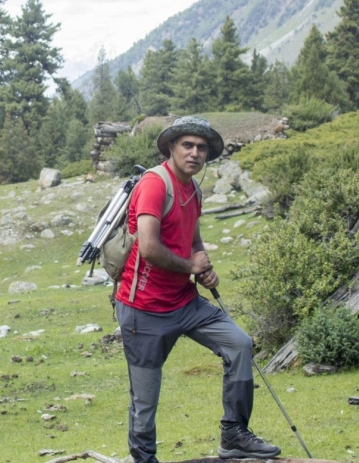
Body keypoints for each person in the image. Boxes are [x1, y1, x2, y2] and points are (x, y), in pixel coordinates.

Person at [115, 116, 281, 462]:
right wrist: (190, 266)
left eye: (201, 147)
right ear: (172, 148)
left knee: (239, 344)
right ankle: (144, 459)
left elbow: (192, 239)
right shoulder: (155, 185)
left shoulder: (193, 189)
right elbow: (148, 247)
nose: (194, 153)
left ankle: (234, 435)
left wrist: (202, 267)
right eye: (187, 145)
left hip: (184, 302)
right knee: (145, 400)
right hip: (142, 309)